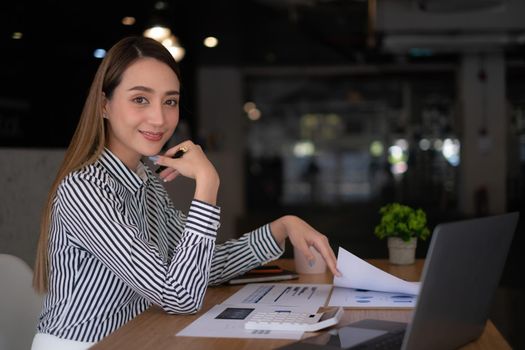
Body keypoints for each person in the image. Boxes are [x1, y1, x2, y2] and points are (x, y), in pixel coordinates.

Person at [31, 36, 340, 349]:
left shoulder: (146, 182)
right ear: (104, 105)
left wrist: (280, 228)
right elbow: (179, 295)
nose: (159, 118)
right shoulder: (85, 190)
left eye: (170, 101)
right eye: (140, 99)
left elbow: (199, 268)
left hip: (135, 338)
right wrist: (207, 183)